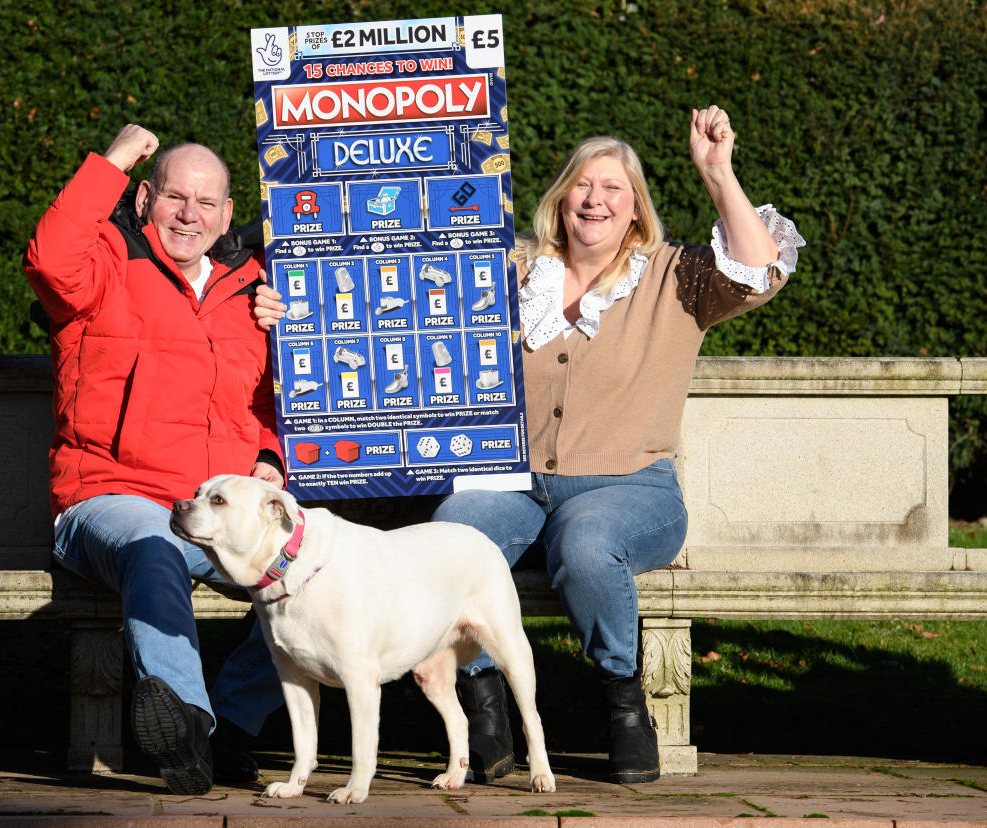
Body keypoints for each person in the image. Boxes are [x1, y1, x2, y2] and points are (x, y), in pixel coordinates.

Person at [253, 105, 804, 784]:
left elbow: (760, 271)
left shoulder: (674, 274)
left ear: (636, 208)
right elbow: (378, 282)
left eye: (614, 188)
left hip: (628, 486)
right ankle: (484, 707)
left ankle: (624, 704)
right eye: (582, 184)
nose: (595, 199)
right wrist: (293, 305)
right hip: (513, 484)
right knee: (456, 530)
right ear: (560, 196)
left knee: (587, 543)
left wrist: (716, 171)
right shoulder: (510, 267)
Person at [25, 124, 286, 795]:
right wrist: (111, 161)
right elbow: (49, 260)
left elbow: (268, 405)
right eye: (175, 197)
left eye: (206, 203)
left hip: (220, 512)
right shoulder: (103, 262)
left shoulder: (251, 293)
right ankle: (186, 733)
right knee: (152, 543)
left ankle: (233, 719)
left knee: (315, 567)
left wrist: (266, 454)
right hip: (109, 499)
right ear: (144, 199)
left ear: (228, 215)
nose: (190, 214)